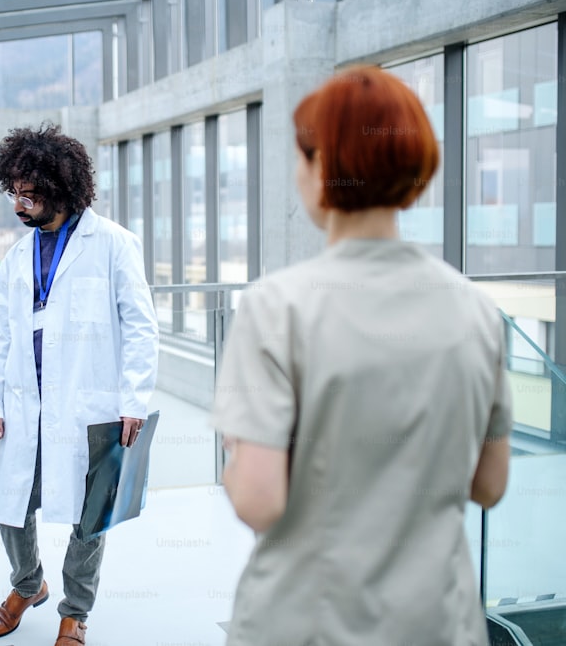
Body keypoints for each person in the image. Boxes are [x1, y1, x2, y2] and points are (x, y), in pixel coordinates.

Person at [211, 66, 512, 645]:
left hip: (309, 623)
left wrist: (239, 450)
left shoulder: (277, 307)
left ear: (323, 165)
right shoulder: (476, 310)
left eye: (302, 156)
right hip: (440, 623)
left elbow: (258, 500)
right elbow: (490, 485)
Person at [0, 123, 159, 646]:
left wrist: (133, 401)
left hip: (90, 405)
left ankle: (75, 609)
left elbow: (141, 327)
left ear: (58, 186)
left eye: (27, 192)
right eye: (13, 192)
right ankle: (27, 583)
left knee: (90, 514)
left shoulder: (114, 244)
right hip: (26, 405)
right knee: (12, 507)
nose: (18, 202)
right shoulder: (18, 256)